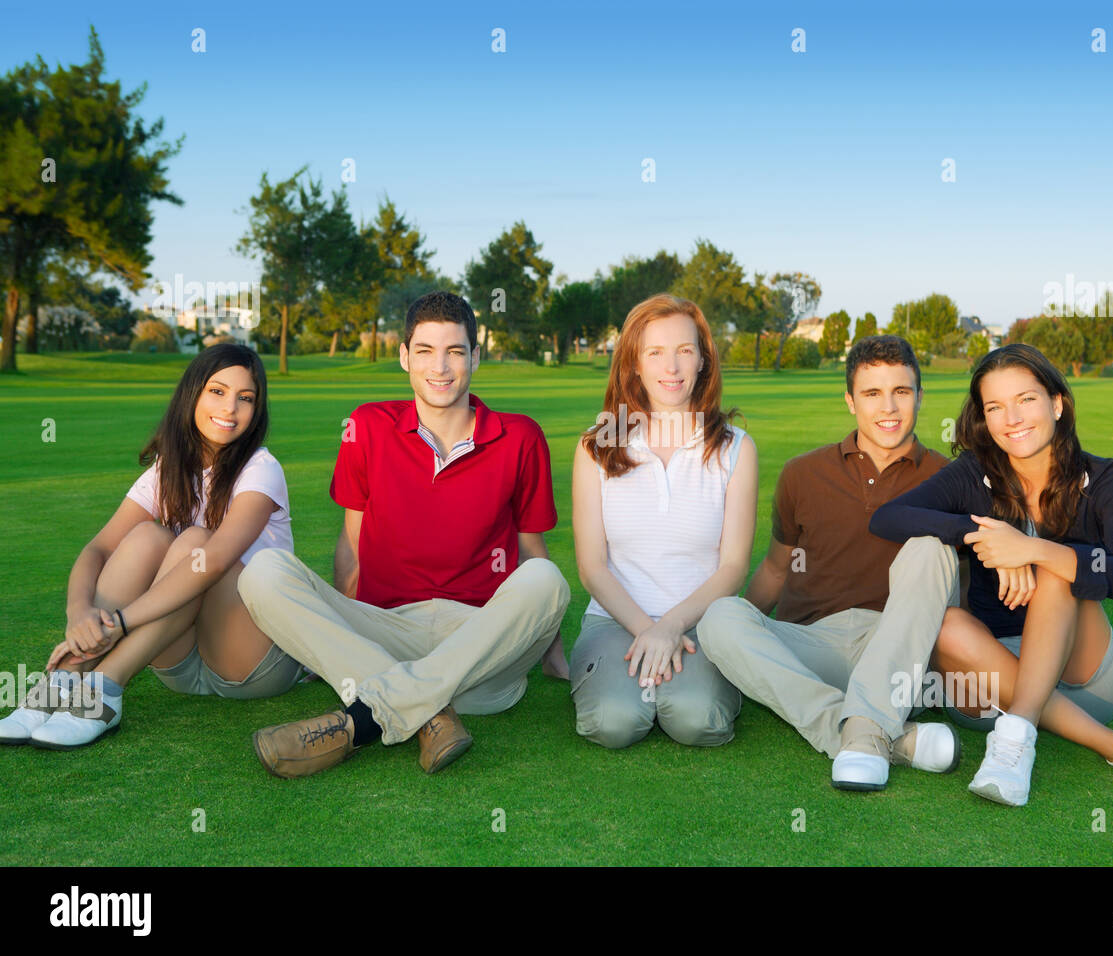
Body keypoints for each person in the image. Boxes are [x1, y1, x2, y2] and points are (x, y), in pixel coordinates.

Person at [870, 343, 1113, 806]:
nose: (1012, 418)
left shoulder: (1105, 480)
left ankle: (1016, 739)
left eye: (1026, 400)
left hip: (1087, 678)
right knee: (946, 624)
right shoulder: (971, 475)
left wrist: (1031, 549)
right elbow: (888, 518)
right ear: (984, 418)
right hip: (985, 687)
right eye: (995, 407)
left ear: (1057, 403)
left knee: (1061, 569)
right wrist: (989, 538)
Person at [238, 291, 569, 779]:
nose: (441, 367)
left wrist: (553, 655)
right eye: (425, 351)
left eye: (455, 351)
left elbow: (530, 553)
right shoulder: (366, 426)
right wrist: (328, 633)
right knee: (262, 572)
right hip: (384, 635)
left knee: (546, 578)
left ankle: (362, 721)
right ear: (403, 356)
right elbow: (351, 544)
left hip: (479, 653)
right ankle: (428, 711)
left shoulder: (520, 436)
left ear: (475, 356)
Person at [0, 344, 301, 750]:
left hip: (250, 663)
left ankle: (104, 689)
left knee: (195, 543)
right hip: (177, 659)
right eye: (217, 391)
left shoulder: (261, 469)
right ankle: (62, 681)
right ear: (192, 394)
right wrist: (79, 615)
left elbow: (213, 562)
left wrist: (118, 624)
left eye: (245, 398)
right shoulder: (168, 469)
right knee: (146, 536)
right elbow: (98, 550)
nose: (230, 408)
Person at [697, 335, 963, 790]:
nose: (889, 408)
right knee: (719, 616)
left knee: (932, 549)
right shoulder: (802, 473)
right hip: (815, 645)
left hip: (904, 652)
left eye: (901, 392)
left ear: (920, 396)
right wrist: (738, 644)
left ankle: (863, 732)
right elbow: (778, 570)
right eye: (872, 393)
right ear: (849, 401)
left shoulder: (952, 478)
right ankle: (868, 735)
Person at [569, 294, 757, 748]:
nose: (671, 367)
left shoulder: (736, 448)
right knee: (613, 723)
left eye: (684, 351)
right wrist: (647, 631)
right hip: (615, 619)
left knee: (699, 721)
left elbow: (733, 568)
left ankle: (676, 682)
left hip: (700, 623)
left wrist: (671, 628)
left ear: (703, 361)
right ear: (634, 363)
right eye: (655, 352)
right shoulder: (595, 447)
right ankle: (629, 680)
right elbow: (592, 567)